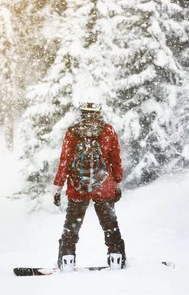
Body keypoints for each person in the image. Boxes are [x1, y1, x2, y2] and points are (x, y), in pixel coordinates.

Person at [50, 102, 126, 271]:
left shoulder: (73, 132)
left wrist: (58, 187)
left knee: (72, 226)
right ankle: (116, 258)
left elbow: (65, 162)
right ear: (98, 112)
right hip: (103, 186)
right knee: (110, 225)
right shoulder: (108, 131)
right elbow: (115, 161)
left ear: (82, 113)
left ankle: (67, 259)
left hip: (78, 188)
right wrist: (117, 183)